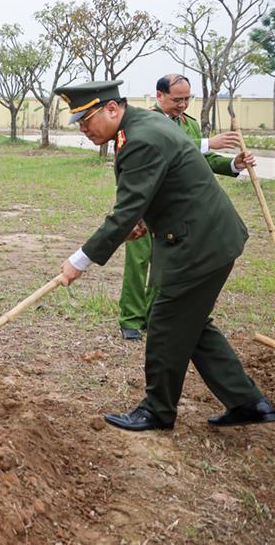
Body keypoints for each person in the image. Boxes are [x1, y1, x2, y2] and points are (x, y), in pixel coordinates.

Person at [57, 80, 273, 431]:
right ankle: (249, 403)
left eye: (87, 120)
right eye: (78, 124)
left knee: (165, 323)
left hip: (199, 244)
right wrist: (142, 217)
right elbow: (161, 183)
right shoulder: (142, 124)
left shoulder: (139, 138)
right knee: (192, 324)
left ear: (112, 109)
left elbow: (123, 212)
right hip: (209, 236)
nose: (84, 130)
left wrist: (79, 260)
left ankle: (157, 411)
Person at [116, 74, 254, 340]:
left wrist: (234, 164)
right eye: (176, 99)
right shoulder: (140, 123)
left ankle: (154, 316)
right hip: (145, 204)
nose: (182, 105)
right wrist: (206, 143)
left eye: (186, 99)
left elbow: (203, 160)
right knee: (138, 260)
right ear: (159, 96)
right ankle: (131, 320)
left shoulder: (187, 124)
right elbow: (163, 149)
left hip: (177, 210)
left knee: (167, 262)